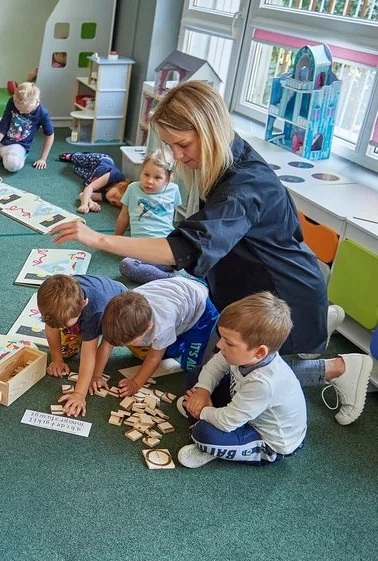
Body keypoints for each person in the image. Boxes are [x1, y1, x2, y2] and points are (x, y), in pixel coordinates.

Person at [50, 81, 372, 424]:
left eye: (182, 144)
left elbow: (182, 249)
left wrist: (101, 241)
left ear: (209, 129)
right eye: (171, 146)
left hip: (281, 294)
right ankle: (322, 319)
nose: (176, 156)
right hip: (247, 289)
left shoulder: (244, 186)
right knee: (200, 383)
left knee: (236, 384)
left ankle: (342, 367)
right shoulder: (225, 157)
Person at [178, 292, 306, 468]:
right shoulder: (244, 354)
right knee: (197, 375)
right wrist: (202, 391)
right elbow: (213, 367)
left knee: (204, 433)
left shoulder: (263, 384)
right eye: (221, 337)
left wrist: (202, 411)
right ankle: (205, 420)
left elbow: (227, 422)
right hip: (245, 409)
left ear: (259, 352)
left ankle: (213, 443)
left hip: (268, 441)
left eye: (228, 343)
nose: (219, 345)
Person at [95, 276, 219, 397]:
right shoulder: (119, 314)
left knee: (191, 365)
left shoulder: (163, 326)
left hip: (200, 311)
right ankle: (178, 338)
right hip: (177, 297)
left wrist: (136, 383)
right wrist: (96, 375)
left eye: (129, 343)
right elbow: (106, 344)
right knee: (169, 350)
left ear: (148, 327)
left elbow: (154, 357)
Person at [37, 274, 127, 416]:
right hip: (88, 303)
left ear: (84, 304)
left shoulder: (94, 311)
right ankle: (72, 328)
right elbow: (51, 327)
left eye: (64, 325)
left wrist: (79, 393)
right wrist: (57, 359)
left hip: (118, 305)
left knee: (109, 337)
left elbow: (89, 354)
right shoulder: (54, 302)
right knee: (66, 350)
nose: (60, 328)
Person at [113, 150, 182, 283]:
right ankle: (171, 279)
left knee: (182, 257)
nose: (149, 181)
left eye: (157, 178)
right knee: (126, 264)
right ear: (141, 171)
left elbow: (171, 218)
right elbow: (123, 215)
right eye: (146, 174)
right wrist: (116, 238)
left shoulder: (173, 189)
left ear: (168, 179)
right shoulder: (133, 188)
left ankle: (168, 274)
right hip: (140, 249)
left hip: (166, 247)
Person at [58, 151, 129, 213]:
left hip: (90, 176)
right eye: (115, 196)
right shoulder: (116, 176)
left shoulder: (107, 197)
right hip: (100, 161)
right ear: (121, 185)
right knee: (80, 159)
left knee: (76, 168)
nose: (112, 200)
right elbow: (90, 188)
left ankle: (73, 160)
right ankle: (71, 156)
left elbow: (82, 194)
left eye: (115, 203)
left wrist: (90, 202)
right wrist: (84, 204)